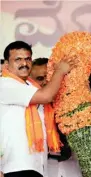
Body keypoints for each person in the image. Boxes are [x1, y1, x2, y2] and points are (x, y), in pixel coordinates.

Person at [0, 41, 75, 177]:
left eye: (27, 59)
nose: (24, 63)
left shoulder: (32, 86)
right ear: (6, 64)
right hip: (14, 167)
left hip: (37, 167)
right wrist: (60, 71)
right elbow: (46, 96)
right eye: (18, 59)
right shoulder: (5, 84)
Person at [29, 57, 82, 177]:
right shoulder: (25, 108)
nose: (47, 82)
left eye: (50, 77)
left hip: (70, 164)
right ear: (29, 80)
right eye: (40, 78)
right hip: (38, 166)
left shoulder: (73, 101)